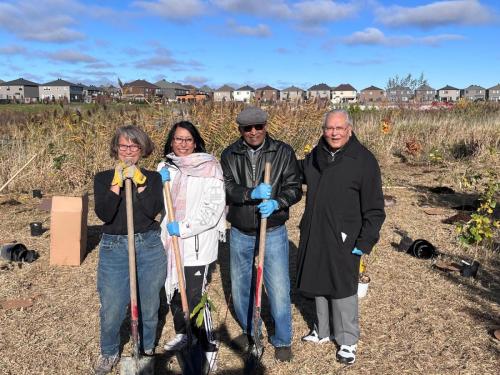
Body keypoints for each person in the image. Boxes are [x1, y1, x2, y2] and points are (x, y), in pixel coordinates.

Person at [296, 109, 386, 365]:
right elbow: (297, 171)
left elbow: (375, 208)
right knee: (318, 277)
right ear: (323, 130)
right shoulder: (316, 155)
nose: (333, 133)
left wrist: (365, 241)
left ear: (349, 128)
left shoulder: (363, 160)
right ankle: (322, 330)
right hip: (315, 229)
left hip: (346, 235)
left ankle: (348, 340)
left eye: (339, 128)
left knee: (343, 287)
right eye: (329, 128)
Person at [220, 106, 302, 362]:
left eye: (258, 126)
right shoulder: (230, 154)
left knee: (278, 287)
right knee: (242, 285)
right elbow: (227, 187)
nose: (253, 132)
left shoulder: (282, 151)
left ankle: (282, 338)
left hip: (274, 230)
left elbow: (294, 188)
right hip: (241, 232)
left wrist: (277, 202)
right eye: (247, 128)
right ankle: (251, 330)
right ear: (240, 130)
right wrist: (249, 193)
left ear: (266, 126)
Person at [93, 125, 167, 375]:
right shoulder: (103, 178)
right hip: (114, 246)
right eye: (123, 146)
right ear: (116, 149)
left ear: (142, 150)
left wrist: (141, 184)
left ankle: (145, 350)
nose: (128, 151)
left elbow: (152, 210)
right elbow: (104, 213)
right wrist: (116, 184)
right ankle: (109, 351)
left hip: (148, 244)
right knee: (112, 305)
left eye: (134, 146)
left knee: (149, 303)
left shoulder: (153, 179)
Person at [157, 121, 226, 370]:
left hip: (197, 244)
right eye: (178, 139)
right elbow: (161, 204)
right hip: (171, 243)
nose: (182, 144)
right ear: (171, 141)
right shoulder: (165, 167)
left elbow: (214, 209)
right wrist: (158, 179)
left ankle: (208, 344)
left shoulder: (210, 167)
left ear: (195, 142)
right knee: (174, 289)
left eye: (188, 139)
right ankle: (185, 333)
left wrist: (184, 228)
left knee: (195, 295)